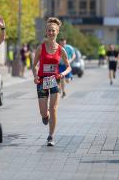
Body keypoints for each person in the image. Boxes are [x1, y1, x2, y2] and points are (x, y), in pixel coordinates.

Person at [32, 17, 71, 146]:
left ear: (57, 32)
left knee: (53, 108)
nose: (51, 33)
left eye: (53, 30)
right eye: (49, 30)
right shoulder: (41, 48)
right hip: (42, 80)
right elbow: (34, 65)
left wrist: (63, 73)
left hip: (55, 80)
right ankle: (45, 116)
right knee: (44, 112)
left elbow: (68, 66)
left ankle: (51, 136)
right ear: (46, 32)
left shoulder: (61, 49)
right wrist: (35, 76)